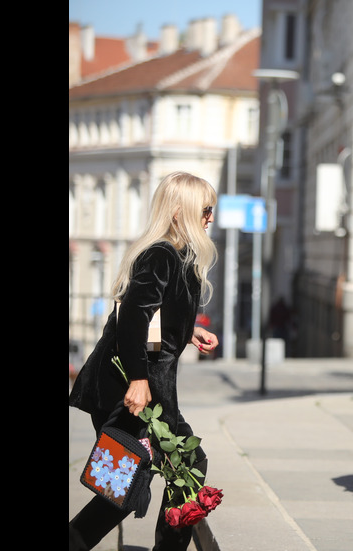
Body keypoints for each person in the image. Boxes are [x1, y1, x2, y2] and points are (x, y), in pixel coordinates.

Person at [69, 172, 221, 550]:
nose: (210, 218)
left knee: (173, 468)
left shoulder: (179, 255)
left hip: (149, 384)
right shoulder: (160, 255)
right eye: (205, 209)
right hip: (128, 387)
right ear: (179, 212)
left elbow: (155, 317)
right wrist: (138, 380)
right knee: (127, 486)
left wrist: (188, 332)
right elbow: (133, 317)